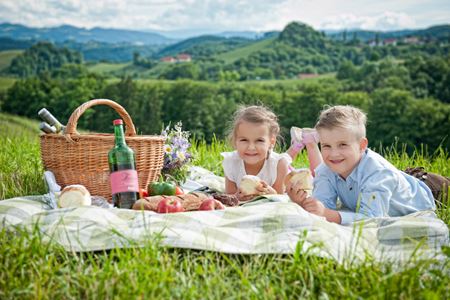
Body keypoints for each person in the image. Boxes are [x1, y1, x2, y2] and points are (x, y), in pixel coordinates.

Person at [287, 105, 436, 225]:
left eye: (342, 144)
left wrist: (329, 215)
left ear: (362, 145)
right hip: (396, 183)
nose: (333, 154)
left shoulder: (378, 174)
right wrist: (304, 202)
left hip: (430, 190)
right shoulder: (326, 169)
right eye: (326, 146)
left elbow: (372, 220)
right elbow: (323, 206)